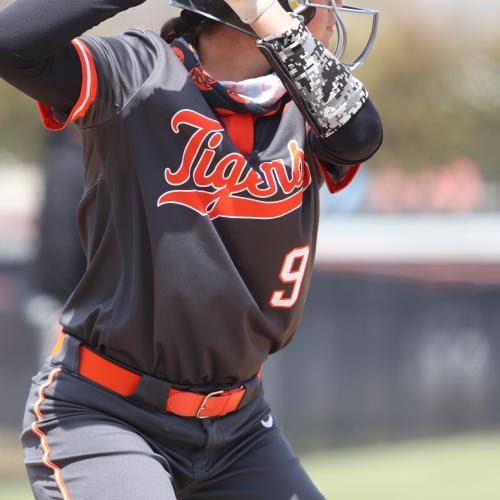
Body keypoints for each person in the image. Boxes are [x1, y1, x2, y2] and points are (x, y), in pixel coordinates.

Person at [0, 0, 383, 498]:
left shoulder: (307, 103)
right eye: (323, 4)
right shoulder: (138, 70)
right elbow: (11, 45)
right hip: (106, 412)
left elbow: (361, 134)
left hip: (240, 428)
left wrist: (267, 15)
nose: (332, 18)